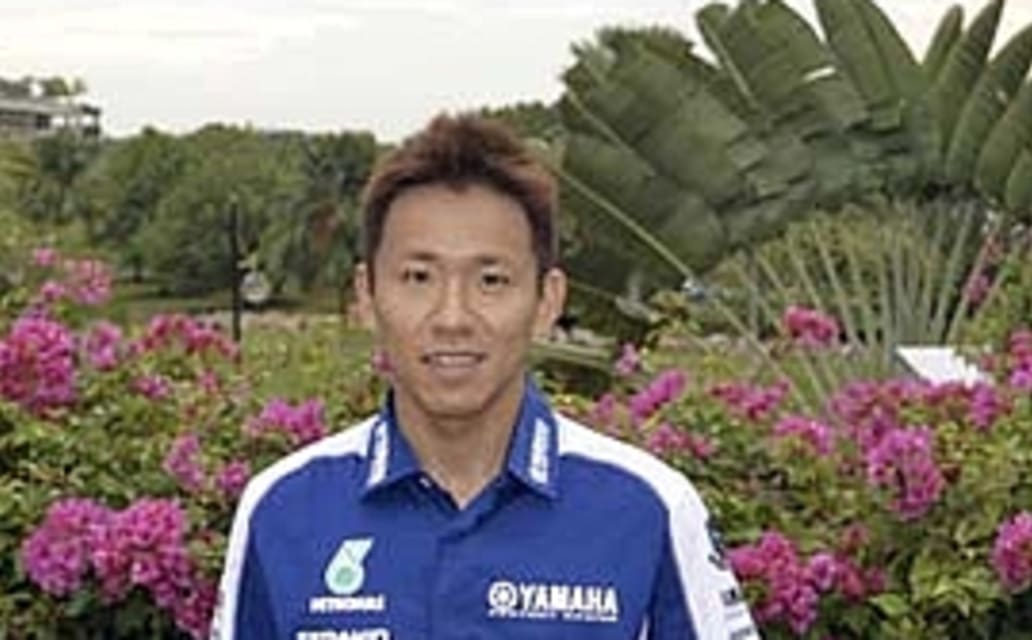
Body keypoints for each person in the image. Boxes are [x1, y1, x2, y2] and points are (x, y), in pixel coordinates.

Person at [211, 114, 759, 639]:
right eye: (418, 277)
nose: (452, 317)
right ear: (367, 296)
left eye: (491, 280)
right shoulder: (284, 510)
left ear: (547, 301)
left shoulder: (649, 510)